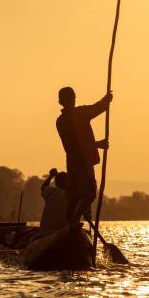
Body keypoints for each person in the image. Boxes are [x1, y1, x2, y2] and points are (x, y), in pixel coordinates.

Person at [56, 87, 112, 227]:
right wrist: (107, 99)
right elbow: (99, 107)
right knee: (90, 193)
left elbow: (76, 142)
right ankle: (74, 221)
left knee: (73, 197)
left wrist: (97, 144)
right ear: (64, 101)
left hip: (73, 162)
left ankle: (70, 224)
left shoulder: (61, 121)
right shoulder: (79, 114)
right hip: (83, 162)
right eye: (71, 98)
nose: (72, 100)